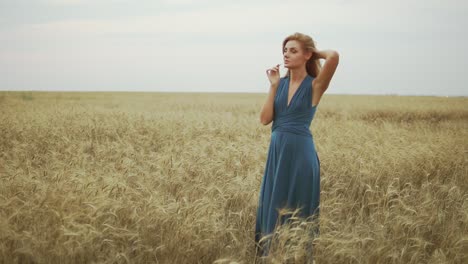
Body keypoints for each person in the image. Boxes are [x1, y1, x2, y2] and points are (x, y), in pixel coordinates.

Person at [255, 32, 339, 258]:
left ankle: (298, 255)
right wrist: (273, 86)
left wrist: (313, 52)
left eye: (293, 50)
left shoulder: (315, 86)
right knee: (273, 204)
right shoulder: (279, 84)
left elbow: (333, 56)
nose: (286, 54)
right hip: (278, 153)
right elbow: (264, 120)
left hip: (302, 155)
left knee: (298, 206)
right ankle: (271, 254)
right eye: (284, 50)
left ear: (306, 55)